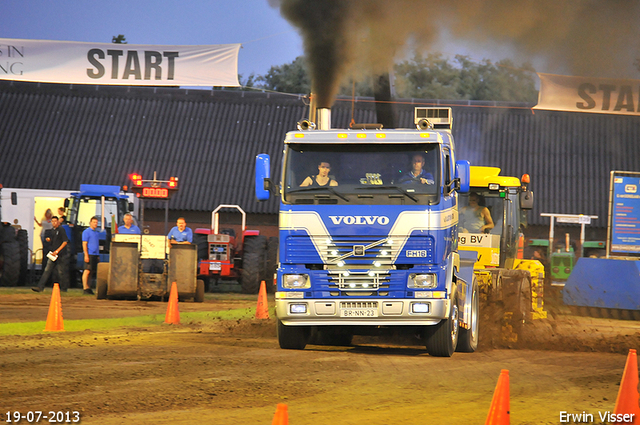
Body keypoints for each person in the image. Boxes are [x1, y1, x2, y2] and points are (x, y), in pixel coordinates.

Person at [31, 216, 69, 292]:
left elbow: (65, 241)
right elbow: (52, 241)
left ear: (58, 222)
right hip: (53, 255)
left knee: (61, 272)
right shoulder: (52, 231)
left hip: (61, 255)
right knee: (47, 270)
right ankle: (40, 287)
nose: (54, 223)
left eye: (55, 221)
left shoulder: (61, 230)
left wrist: (57, 251)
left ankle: (64, 288)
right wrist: (48, 240)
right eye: (52, 221)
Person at [81, 216, 100, 295]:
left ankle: (88, 288)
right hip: (89, 254)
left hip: (95, 254)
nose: (95, 224)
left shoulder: (96, 233)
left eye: (96, 222)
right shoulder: (86, 232)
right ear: (90, 223)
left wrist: (98, 255)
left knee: (92, 271)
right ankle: (85, 287)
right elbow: (84, 243)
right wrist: (86, 255)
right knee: (87, 271)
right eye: (94, 222)